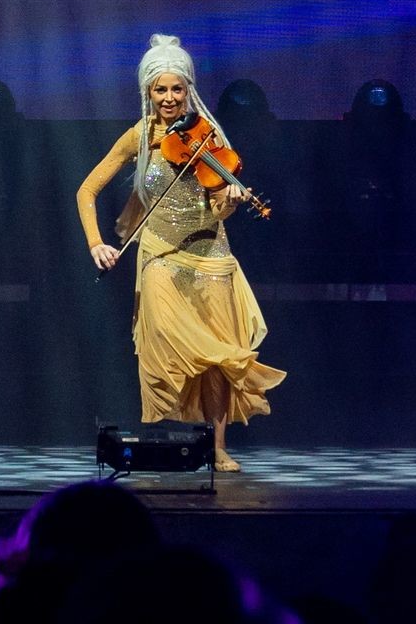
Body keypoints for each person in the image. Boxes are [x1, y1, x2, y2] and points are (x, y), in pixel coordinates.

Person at [75, 35, 284, 472]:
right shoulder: (138, 136)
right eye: (160, 90)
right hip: (159, 252)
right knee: (167, 342)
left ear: (189, 89)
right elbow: (86, 190)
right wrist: (97, 242)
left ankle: (218, 447)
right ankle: (171, 436)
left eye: (177, 89)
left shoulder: (209, 136)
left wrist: (230, 201)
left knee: (219, 357)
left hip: (210, 253)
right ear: (147, 92)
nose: (169, 98)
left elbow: (218, 207)